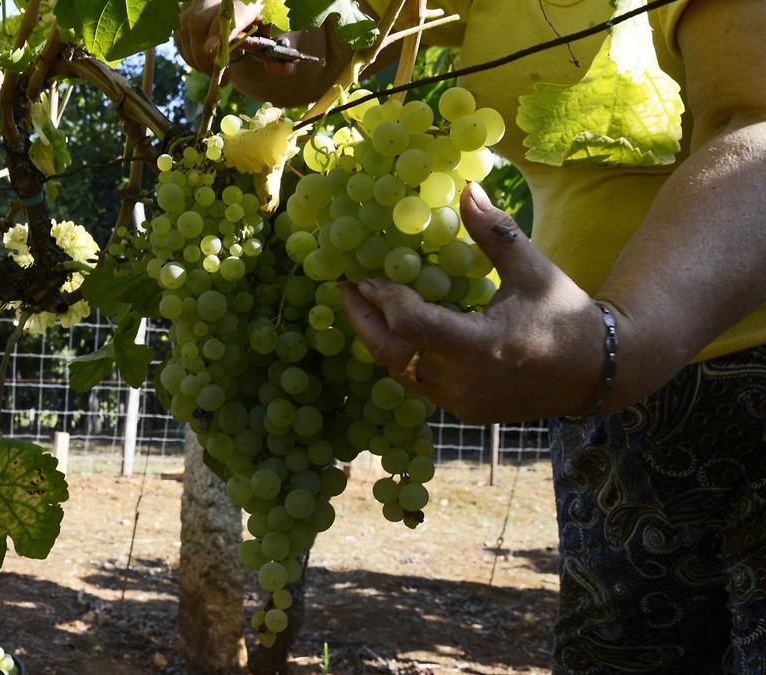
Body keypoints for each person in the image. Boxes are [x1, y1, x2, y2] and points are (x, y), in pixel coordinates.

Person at [177, 1, 766, 672]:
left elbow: (755, 123)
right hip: (592, 383)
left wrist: (620, 343)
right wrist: (254, 34)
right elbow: (333, 44)